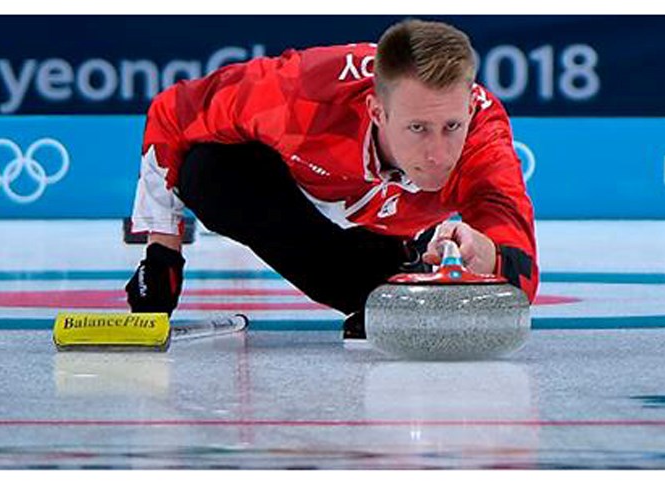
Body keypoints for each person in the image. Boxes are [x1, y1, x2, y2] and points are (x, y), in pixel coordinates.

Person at [125, 18, 539, 339]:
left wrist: (487, 254)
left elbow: (521, 267)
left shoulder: (485, 137)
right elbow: (173, 111)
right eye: (417, 129)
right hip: (303, 204)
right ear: (378, 112)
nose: (438, 154)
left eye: (452, 126)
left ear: (468, 109)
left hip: (397, 235)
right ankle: (374, 292)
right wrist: (163, 254)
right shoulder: (304, 94)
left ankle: (397, 273)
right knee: (208, 171)